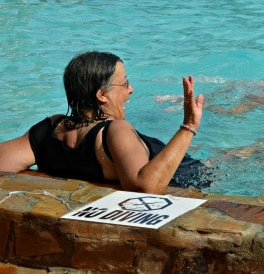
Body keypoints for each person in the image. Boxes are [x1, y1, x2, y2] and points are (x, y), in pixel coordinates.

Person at [0, 52, 207, 193]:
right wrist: (189, 125)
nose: (131, 89)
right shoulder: (115, 130)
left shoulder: (51, 129)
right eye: (125, 82)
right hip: (192, 176)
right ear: (102, 94)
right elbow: (145, 187)